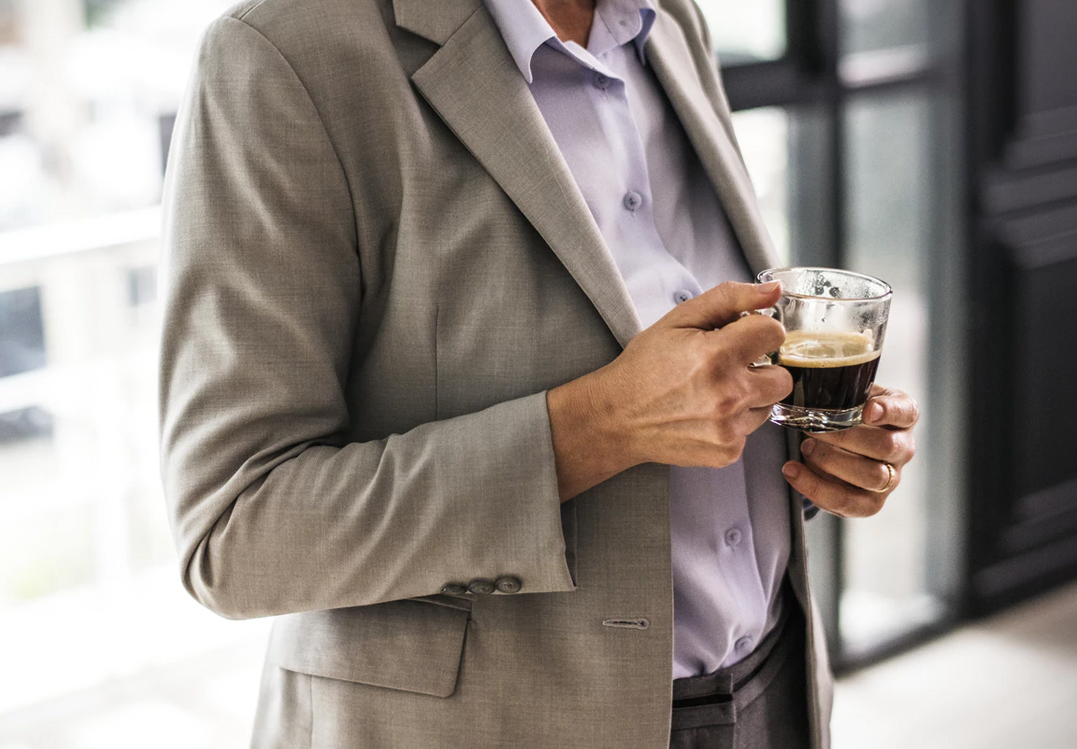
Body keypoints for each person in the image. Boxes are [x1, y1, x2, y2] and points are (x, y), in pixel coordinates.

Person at [158, 0, 919, 746]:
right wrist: (598, 426)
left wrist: (809, 445)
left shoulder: (671, 21)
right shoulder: (283, 53)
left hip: (773, 687)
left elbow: (693, 362)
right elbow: (233, 534)